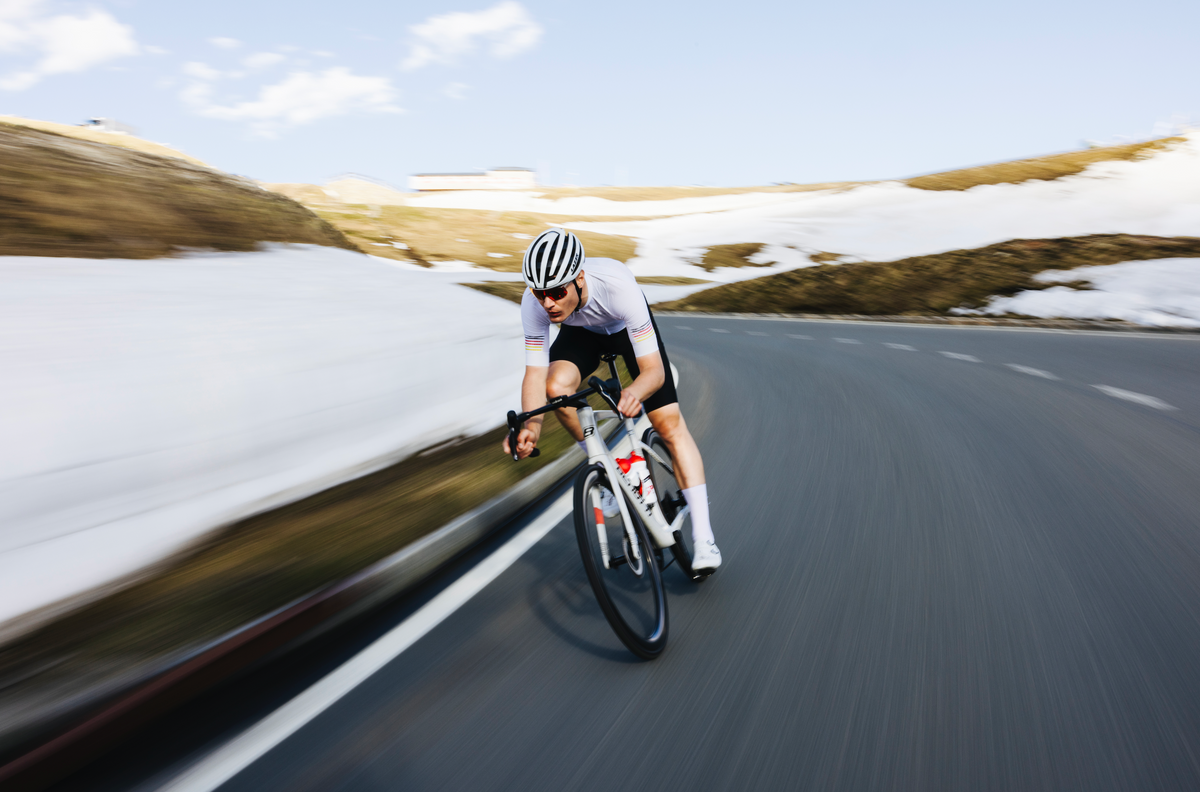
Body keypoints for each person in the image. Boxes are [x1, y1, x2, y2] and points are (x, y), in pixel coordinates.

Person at [502, 228, 721, 572]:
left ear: (579, 279)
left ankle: (705, 539)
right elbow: (534, 373)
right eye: (539, 292)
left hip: (624, 332)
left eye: (556, 292)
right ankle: (604, 468)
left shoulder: (618, 286)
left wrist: (635, 392)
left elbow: (654, 371)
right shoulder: (536, 304)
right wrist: (532, 425)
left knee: (669, 424)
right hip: (582, 336)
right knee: (555, 387)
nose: (547, 303)